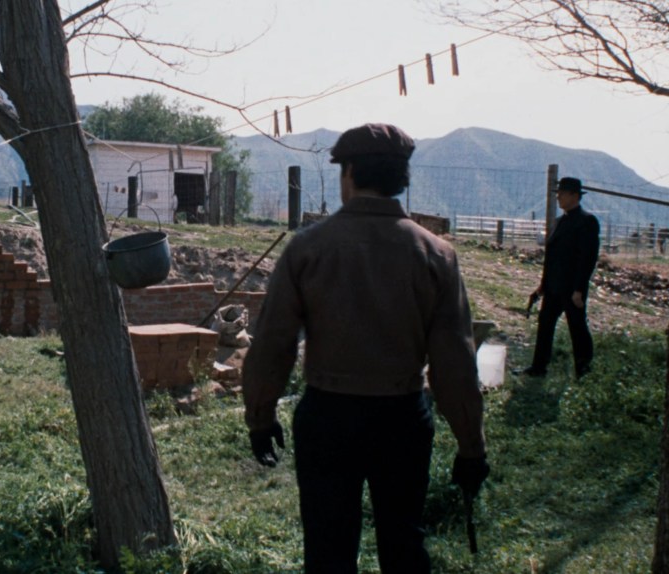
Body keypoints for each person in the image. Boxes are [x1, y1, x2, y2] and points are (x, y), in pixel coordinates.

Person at [242, 123, 489, 573]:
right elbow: (454, 362)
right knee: (404, 544)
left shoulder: (307, 249)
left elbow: (274, 344)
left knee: (329, 549)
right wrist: (472, 445)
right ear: (403, 178)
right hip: (403, 419)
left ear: (349, 173)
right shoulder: (436, 254)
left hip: (328, 418)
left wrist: (260, 416)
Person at [520, 176, 600, 378]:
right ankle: (538, 367)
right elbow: (552, 257)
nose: (558, 198)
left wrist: (579, 289)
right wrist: (542, 285)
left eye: (562, 194)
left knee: (577, 328)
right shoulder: (559, 222)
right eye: (558, 194)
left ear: (574, 196)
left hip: (572, 289)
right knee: (545, 324)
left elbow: (587, 259)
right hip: (554, 287)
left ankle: (584, 371)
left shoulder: (587, 222)